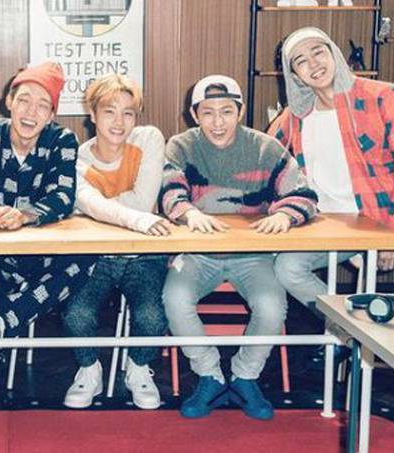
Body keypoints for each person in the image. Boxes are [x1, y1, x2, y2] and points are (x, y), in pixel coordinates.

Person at [160, 75, 318, 421]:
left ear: (241, 111)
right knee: (174, 299)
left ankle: (246, 376)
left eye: (227, 112)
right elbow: (170, 191)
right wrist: (188, 212)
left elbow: (304, 194)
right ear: (194, 114)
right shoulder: (181, 146)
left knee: (272, 306)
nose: (218, 122)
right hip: (198, 253)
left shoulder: (265, 148)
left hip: (253, 255)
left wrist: (285, 215)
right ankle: (211, 376)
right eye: (208, 112)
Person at [0, 62, 97, 398]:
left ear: (52, 114)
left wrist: (24, 215)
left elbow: (63, 197)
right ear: (9, 101)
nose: (31, 112)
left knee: (85, 260)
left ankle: (0, 324)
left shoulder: (62, 140)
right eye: (24, 100)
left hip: (45, 253)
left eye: (43, 105)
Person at [269, 27, 394, 322]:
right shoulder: (295, 116)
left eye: (318, 52)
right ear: (294, 75)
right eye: (301, 61)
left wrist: (393, 234)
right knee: (287, 268)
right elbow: (262, 158)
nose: (313, 64)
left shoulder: (387, 96)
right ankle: (350, 329)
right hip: (333, 225)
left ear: (334, 53)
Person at [62, 74, 169, 409]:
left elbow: (143, 202)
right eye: (109, 111)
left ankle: (138, 367)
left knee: (152, 316)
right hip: (98, 255)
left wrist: (98, 211)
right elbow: (95, 203)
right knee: (76, 314)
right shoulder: (76, 159)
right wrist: (99, 209)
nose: (119, 122)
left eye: (128, 113)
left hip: (145, 255)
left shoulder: (149, 139)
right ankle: (89, 368)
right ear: (92, 114)